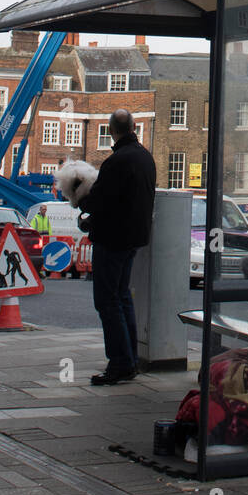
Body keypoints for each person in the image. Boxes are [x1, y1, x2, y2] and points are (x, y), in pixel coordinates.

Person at [82, 108, 156, 385]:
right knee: (122, 297)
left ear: (112, 130)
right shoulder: (145, 157)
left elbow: (99, 201)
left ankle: (120, 363)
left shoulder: (117, 161)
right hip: (134, 238)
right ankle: (130, 359)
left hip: (112, 238)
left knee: (107, 301)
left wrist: (81, 199)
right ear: (134, 127)